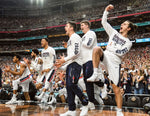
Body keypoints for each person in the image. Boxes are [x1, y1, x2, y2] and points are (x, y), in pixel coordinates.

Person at [87, 4, 137, 116]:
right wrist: (106, 11)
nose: (122, 25)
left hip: (115, 62)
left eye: (124, 24)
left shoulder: (128, 42)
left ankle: (119, 111)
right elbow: (104, 23)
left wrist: (110, 48)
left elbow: (121, 52)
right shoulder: (113, 33)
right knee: (96, 49)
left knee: (116, 89)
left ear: (128, 28)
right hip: (106, 54)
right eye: (122, 24)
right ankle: (95, 73)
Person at [55, 21, 88, 116]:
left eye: (66, 26)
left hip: (76, 64)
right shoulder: (70, 40)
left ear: (71, 28)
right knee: (68, 87)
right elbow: (71, 57)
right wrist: (61, 66)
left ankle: (85, 103)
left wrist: (64, 59)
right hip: (71, 64)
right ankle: (72, 109)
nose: (65, 27)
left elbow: (77, 53)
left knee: (72, 84)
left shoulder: (75, 37)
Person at [80, 20, 105, 109]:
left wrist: (79, 42)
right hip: (84, 60)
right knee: (87, 81)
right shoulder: (83, 37)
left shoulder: (91, 33)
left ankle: (102, 85)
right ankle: (91, 102)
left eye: (82, 25)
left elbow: (88, 44)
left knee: (90, 78)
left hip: (91, 59)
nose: (81, 27)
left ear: (87, 25)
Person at [36, 38, 56, 104]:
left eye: (43, 41)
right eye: (41, 41)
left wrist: (49, 68)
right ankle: (53, 99)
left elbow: (54, 60)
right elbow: (43, 61)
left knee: (47, 82)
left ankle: (41, 96)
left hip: (51, 69)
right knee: (50, 85)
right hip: (45, 70)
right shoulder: (42, 51)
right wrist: (42, 68)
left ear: (47, 42)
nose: (41, 42)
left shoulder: (51, 49)